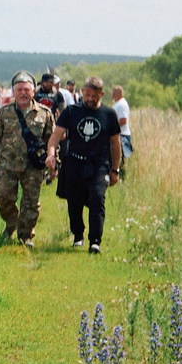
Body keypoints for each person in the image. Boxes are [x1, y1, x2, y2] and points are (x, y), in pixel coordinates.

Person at [48, 76, 126, 252]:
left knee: (97, 197)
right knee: (74, 200)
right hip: (75, 162)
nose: (90, 99)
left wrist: (115, 169)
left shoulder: (109, 114)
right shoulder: (70, 112)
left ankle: (95, 240)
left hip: (99, 164)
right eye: (87, 95)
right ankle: (78, 235)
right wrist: (51, 154)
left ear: (102, 94)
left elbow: (115, 143)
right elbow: (55, 136)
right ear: (82, 92)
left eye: (94, 96)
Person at [0, 72, 58, 246]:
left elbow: (51, 140)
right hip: (8, 165)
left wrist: (53, 162)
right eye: (19, 90)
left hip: (33, 166)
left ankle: (25, 236)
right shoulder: (4, 113)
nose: (23, 93)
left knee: (31, 202)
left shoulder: (44, 114)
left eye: (27, 89)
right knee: (3, 197)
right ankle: (12, 221)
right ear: (14, 92)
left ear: (33, 91)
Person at [112, 84, 133, 160]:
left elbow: (123, 120)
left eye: (113, 93)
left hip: (122, 135)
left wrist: (112, 127)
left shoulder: (121, 105)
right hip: (120, 134)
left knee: (123, 157)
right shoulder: (119, 104)